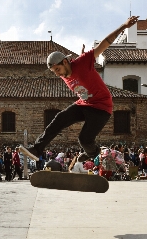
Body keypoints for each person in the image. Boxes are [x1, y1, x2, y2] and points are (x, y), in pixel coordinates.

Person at [18, 15, 140, 163]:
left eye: (58, 69)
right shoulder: (64, 72)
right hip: (85, 104)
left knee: (84, 139)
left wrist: (123, 26)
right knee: (59, 118)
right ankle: (37, 149)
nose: (57, 73)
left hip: (102, 107)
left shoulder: (83, 62)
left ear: (65, 62)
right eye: (54, 71)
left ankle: (92, 153)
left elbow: (104, 43)